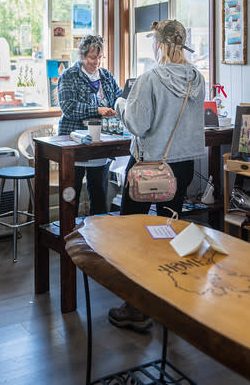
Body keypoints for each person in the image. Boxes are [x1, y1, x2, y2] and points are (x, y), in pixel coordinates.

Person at [109, 19, 206, 331]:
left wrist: (121, 102)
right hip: (182, 166)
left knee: (132, 233)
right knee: (171, 232)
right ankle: (170, 297)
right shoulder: (196, 78)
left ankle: (137, 306)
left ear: (160, 44)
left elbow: (137, 125)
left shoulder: (150, 78)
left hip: (150, 168)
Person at [57, 35, 121, 215]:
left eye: (100, 57)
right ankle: (68, 235)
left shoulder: (106, 76)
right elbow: (69, 107)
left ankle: (97, 237)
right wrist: (98, 110)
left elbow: (118, 97)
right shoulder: (69, 75)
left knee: (99, 194)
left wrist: (117, 107)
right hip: (74, 142)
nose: (97, 62)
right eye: (93, 58)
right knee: (71, 195)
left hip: (101, 142)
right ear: (82, 56)